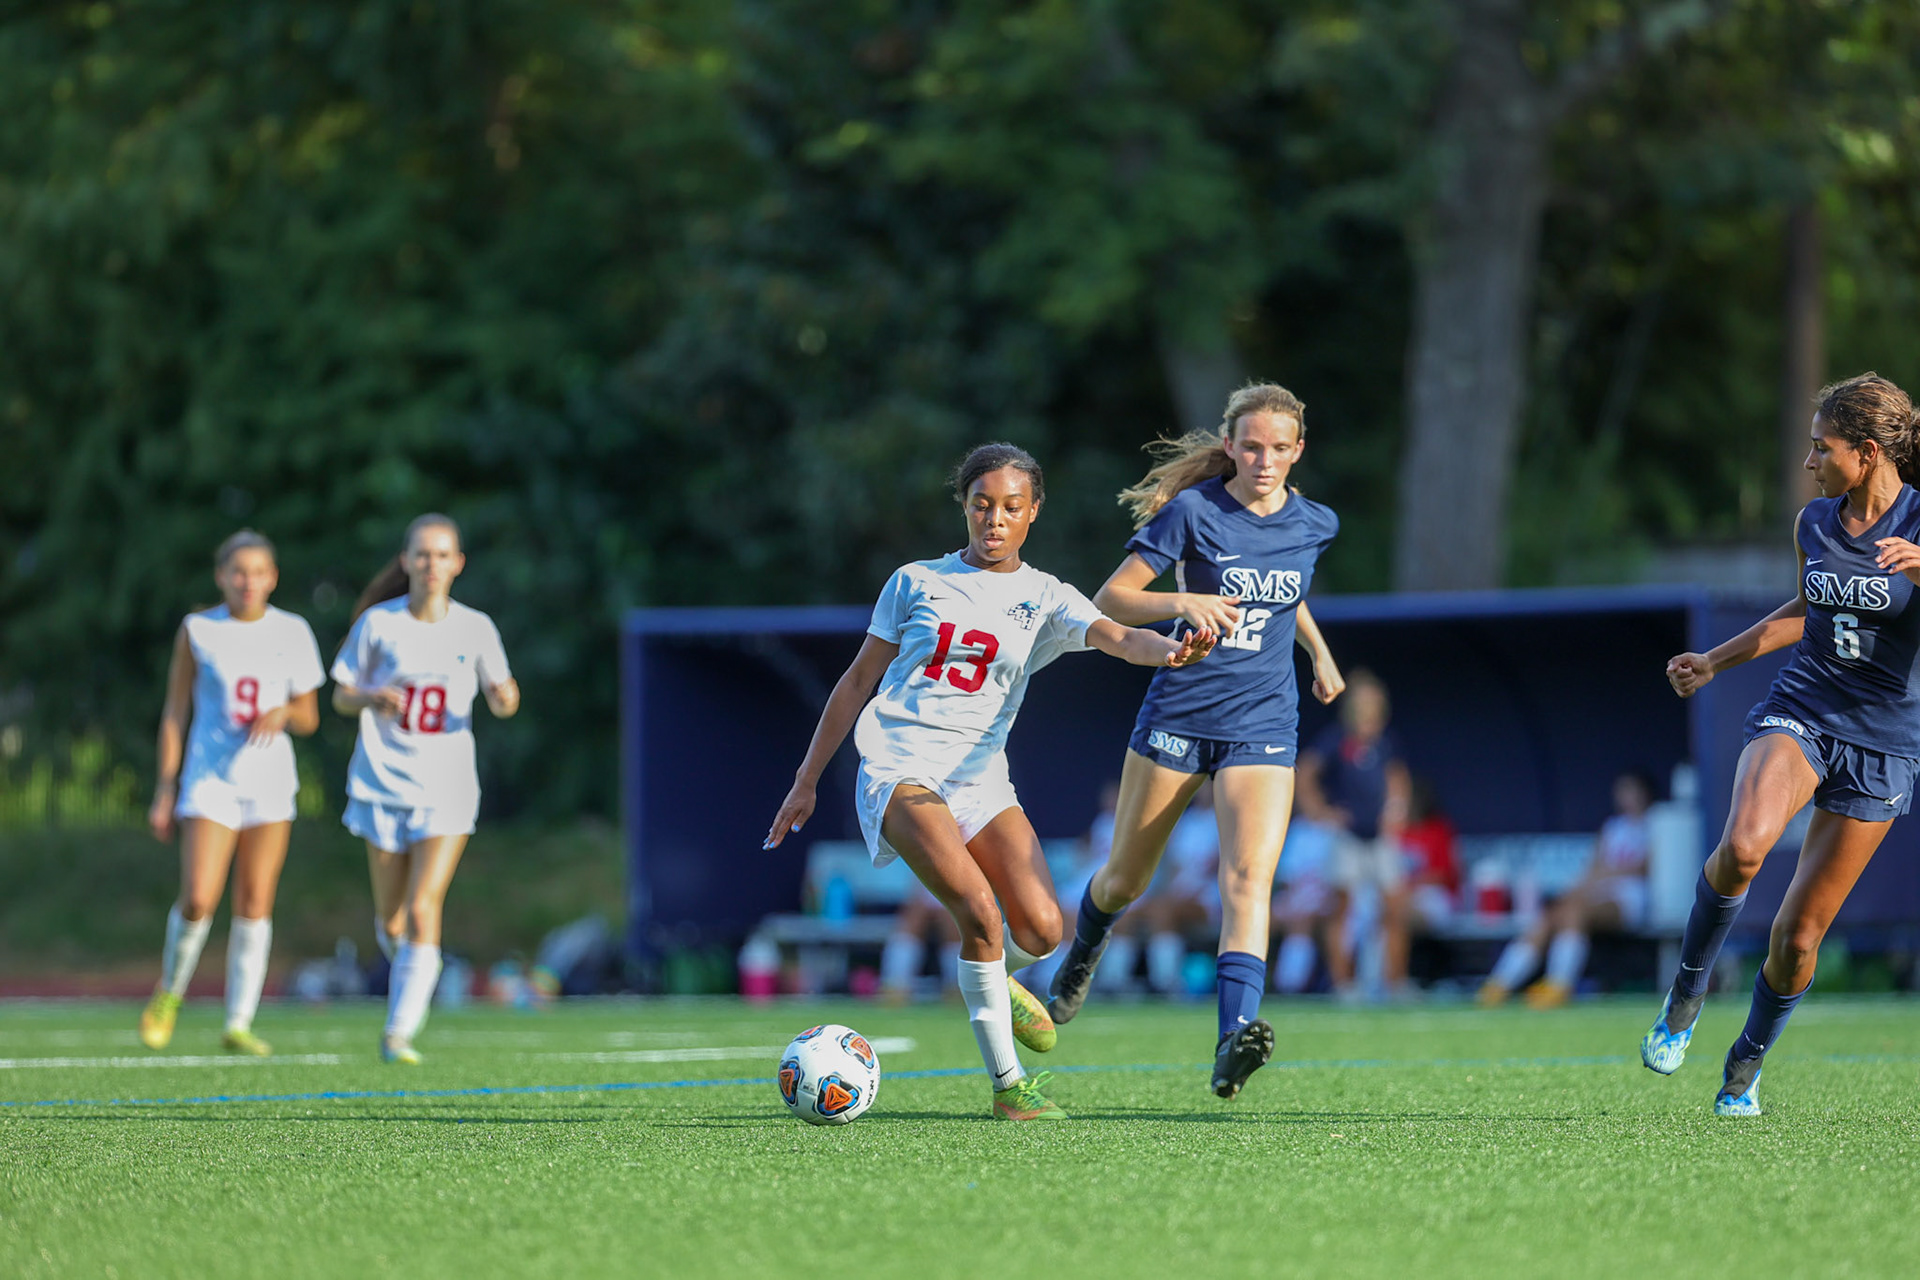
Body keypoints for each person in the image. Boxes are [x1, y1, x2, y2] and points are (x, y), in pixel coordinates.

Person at [764, 443, 1216, 1121]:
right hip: (898, 766)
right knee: (978, 914)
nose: (994, 520)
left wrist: (1172, 650)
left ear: (1033, 512)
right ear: (965, 507)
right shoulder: (914, 581)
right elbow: (857, 681)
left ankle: (997, 981)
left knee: (1040, 930)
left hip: (980, 780)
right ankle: (1009, 1089)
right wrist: (806, 780)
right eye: (982, 505)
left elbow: (1120, 637)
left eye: (1010, 507)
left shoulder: (1045, 595)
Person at [1044, 382, 1346, 1099]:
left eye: (1279, 447)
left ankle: (1230, 1042)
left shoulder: (1316, 522)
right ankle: (1082, 952)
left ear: (1298, 450)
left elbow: (1286, 589)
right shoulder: (1193, 511)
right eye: (1251, 446)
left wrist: (1319, 653)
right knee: (1125, 879)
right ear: (1231, 445)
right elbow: (1111, 599)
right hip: (1179, 714)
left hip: (1264, 724)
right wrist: (1186, 600)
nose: (1264, 459)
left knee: (1246, 882)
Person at [1642, 372, 1920, 1116]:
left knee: (1798, 937)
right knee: (1743, 846)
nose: (1808, 461)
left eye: (1819, 447)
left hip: (1885, 741)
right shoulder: (1815, 524)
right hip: (1804, 707)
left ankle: (1747, 1063)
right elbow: (1807, 608)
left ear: (1865, 453)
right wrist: (1713, 661)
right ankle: (1687, 989)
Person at [331, 513, 519, 1064]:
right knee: (392, 920)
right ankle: (422, 965)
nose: (431, 565)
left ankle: (398, 1032)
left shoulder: (475, 627)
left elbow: (504, 697)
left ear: (457, 564)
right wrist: (370, 696)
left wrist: (505, 696)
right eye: (422, 554)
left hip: (448, 787)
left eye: (442, 555)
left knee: (422, 906)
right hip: (382, 784)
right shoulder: (377, 624)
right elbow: (340, 695)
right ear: (406, 561)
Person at [140, 530, 325, 1056]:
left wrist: (284, 712)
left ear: (273, 578)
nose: (248, 582)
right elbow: (176, 713)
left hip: (269, 784)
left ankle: (238, 1022)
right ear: (221, 576)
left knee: (255, 902)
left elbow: (309, 717)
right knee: (199, 897)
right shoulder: (198, 630)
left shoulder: (293, 631)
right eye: (237, 572)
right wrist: (164, 788)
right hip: (209, 781)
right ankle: (169, 992)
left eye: (258, 572)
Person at [1478, 770, 1653, 1008]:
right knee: (1550, 915)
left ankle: (1559, 985)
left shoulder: (1656, 823)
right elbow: (1594, 867)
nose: (1626, 797)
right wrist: (1577, 890)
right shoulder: (1612, 827)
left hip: (1631, 897)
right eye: (1622, 790)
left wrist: (1606, 874)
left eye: (1631, 790)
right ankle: (1500, 984)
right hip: (1599, 893)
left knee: (1574, 912)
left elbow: (1645, 868)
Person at [1296, 670, 1412, 998]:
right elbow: (1305, 774)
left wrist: (1397, 809)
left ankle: (1396, 983)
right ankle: (1344, 985)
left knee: (1394, 907)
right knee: (1341, 909)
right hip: (1347, 838)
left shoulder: (1386, 741)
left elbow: (1397, 778)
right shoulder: (1336, 739)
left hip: (1380, 837)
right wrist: (1321, 812)